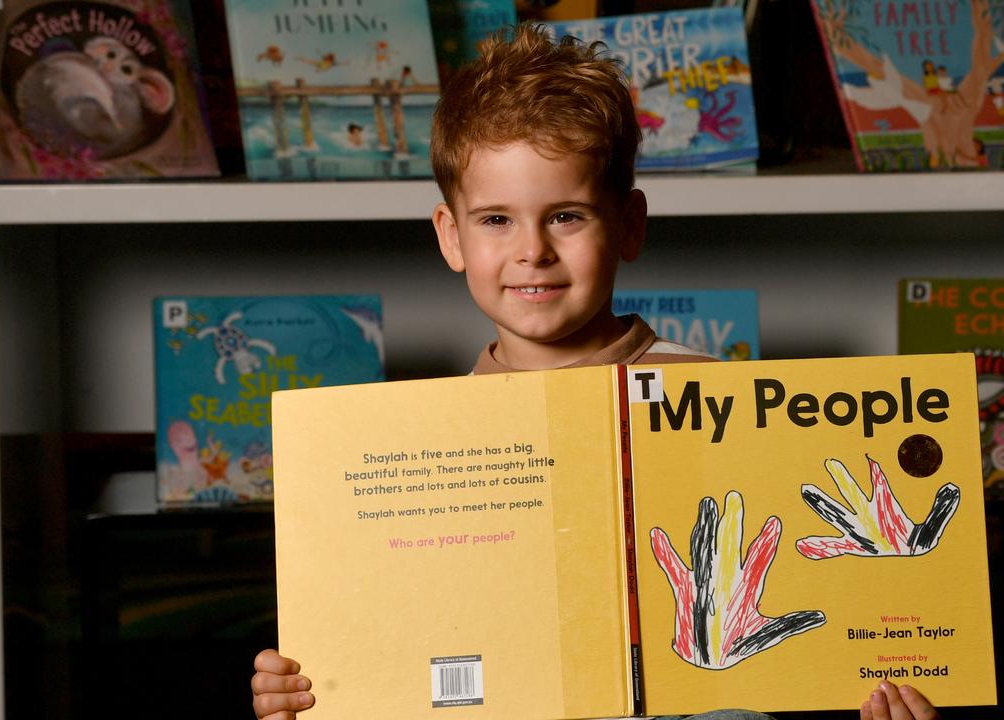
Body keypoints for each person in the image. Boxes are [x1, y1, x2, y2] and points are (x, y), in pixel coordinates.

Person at [250, 23, 941, 720]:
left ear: (630, 224)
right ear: (451, 236)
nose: (532, 252)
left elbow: (789, 601)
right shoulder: (422, 442)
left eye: (567, 217)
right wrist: (308, 694)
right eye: (495, 220)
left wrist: (875, 684)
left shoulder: (713, 397)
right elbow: (398, 645)